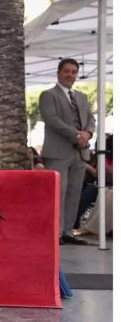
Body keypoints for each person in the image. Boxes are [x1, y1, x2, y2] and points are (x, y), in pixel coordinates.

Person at [38, 58, 95, 245]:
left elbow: (91, 119)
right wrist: (77, 135)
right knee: (58, 194)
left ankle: (68, 232)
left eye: (73, 72)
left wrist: (88, 133)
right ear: (59, 73)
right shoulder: (48, 95)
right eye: (67, 71)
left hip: (80, 154)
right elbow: (52, 120)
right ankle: (55, 233)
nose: (70, 75)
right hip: (57, 152)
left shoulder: (82, 97)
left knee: (74, 193)